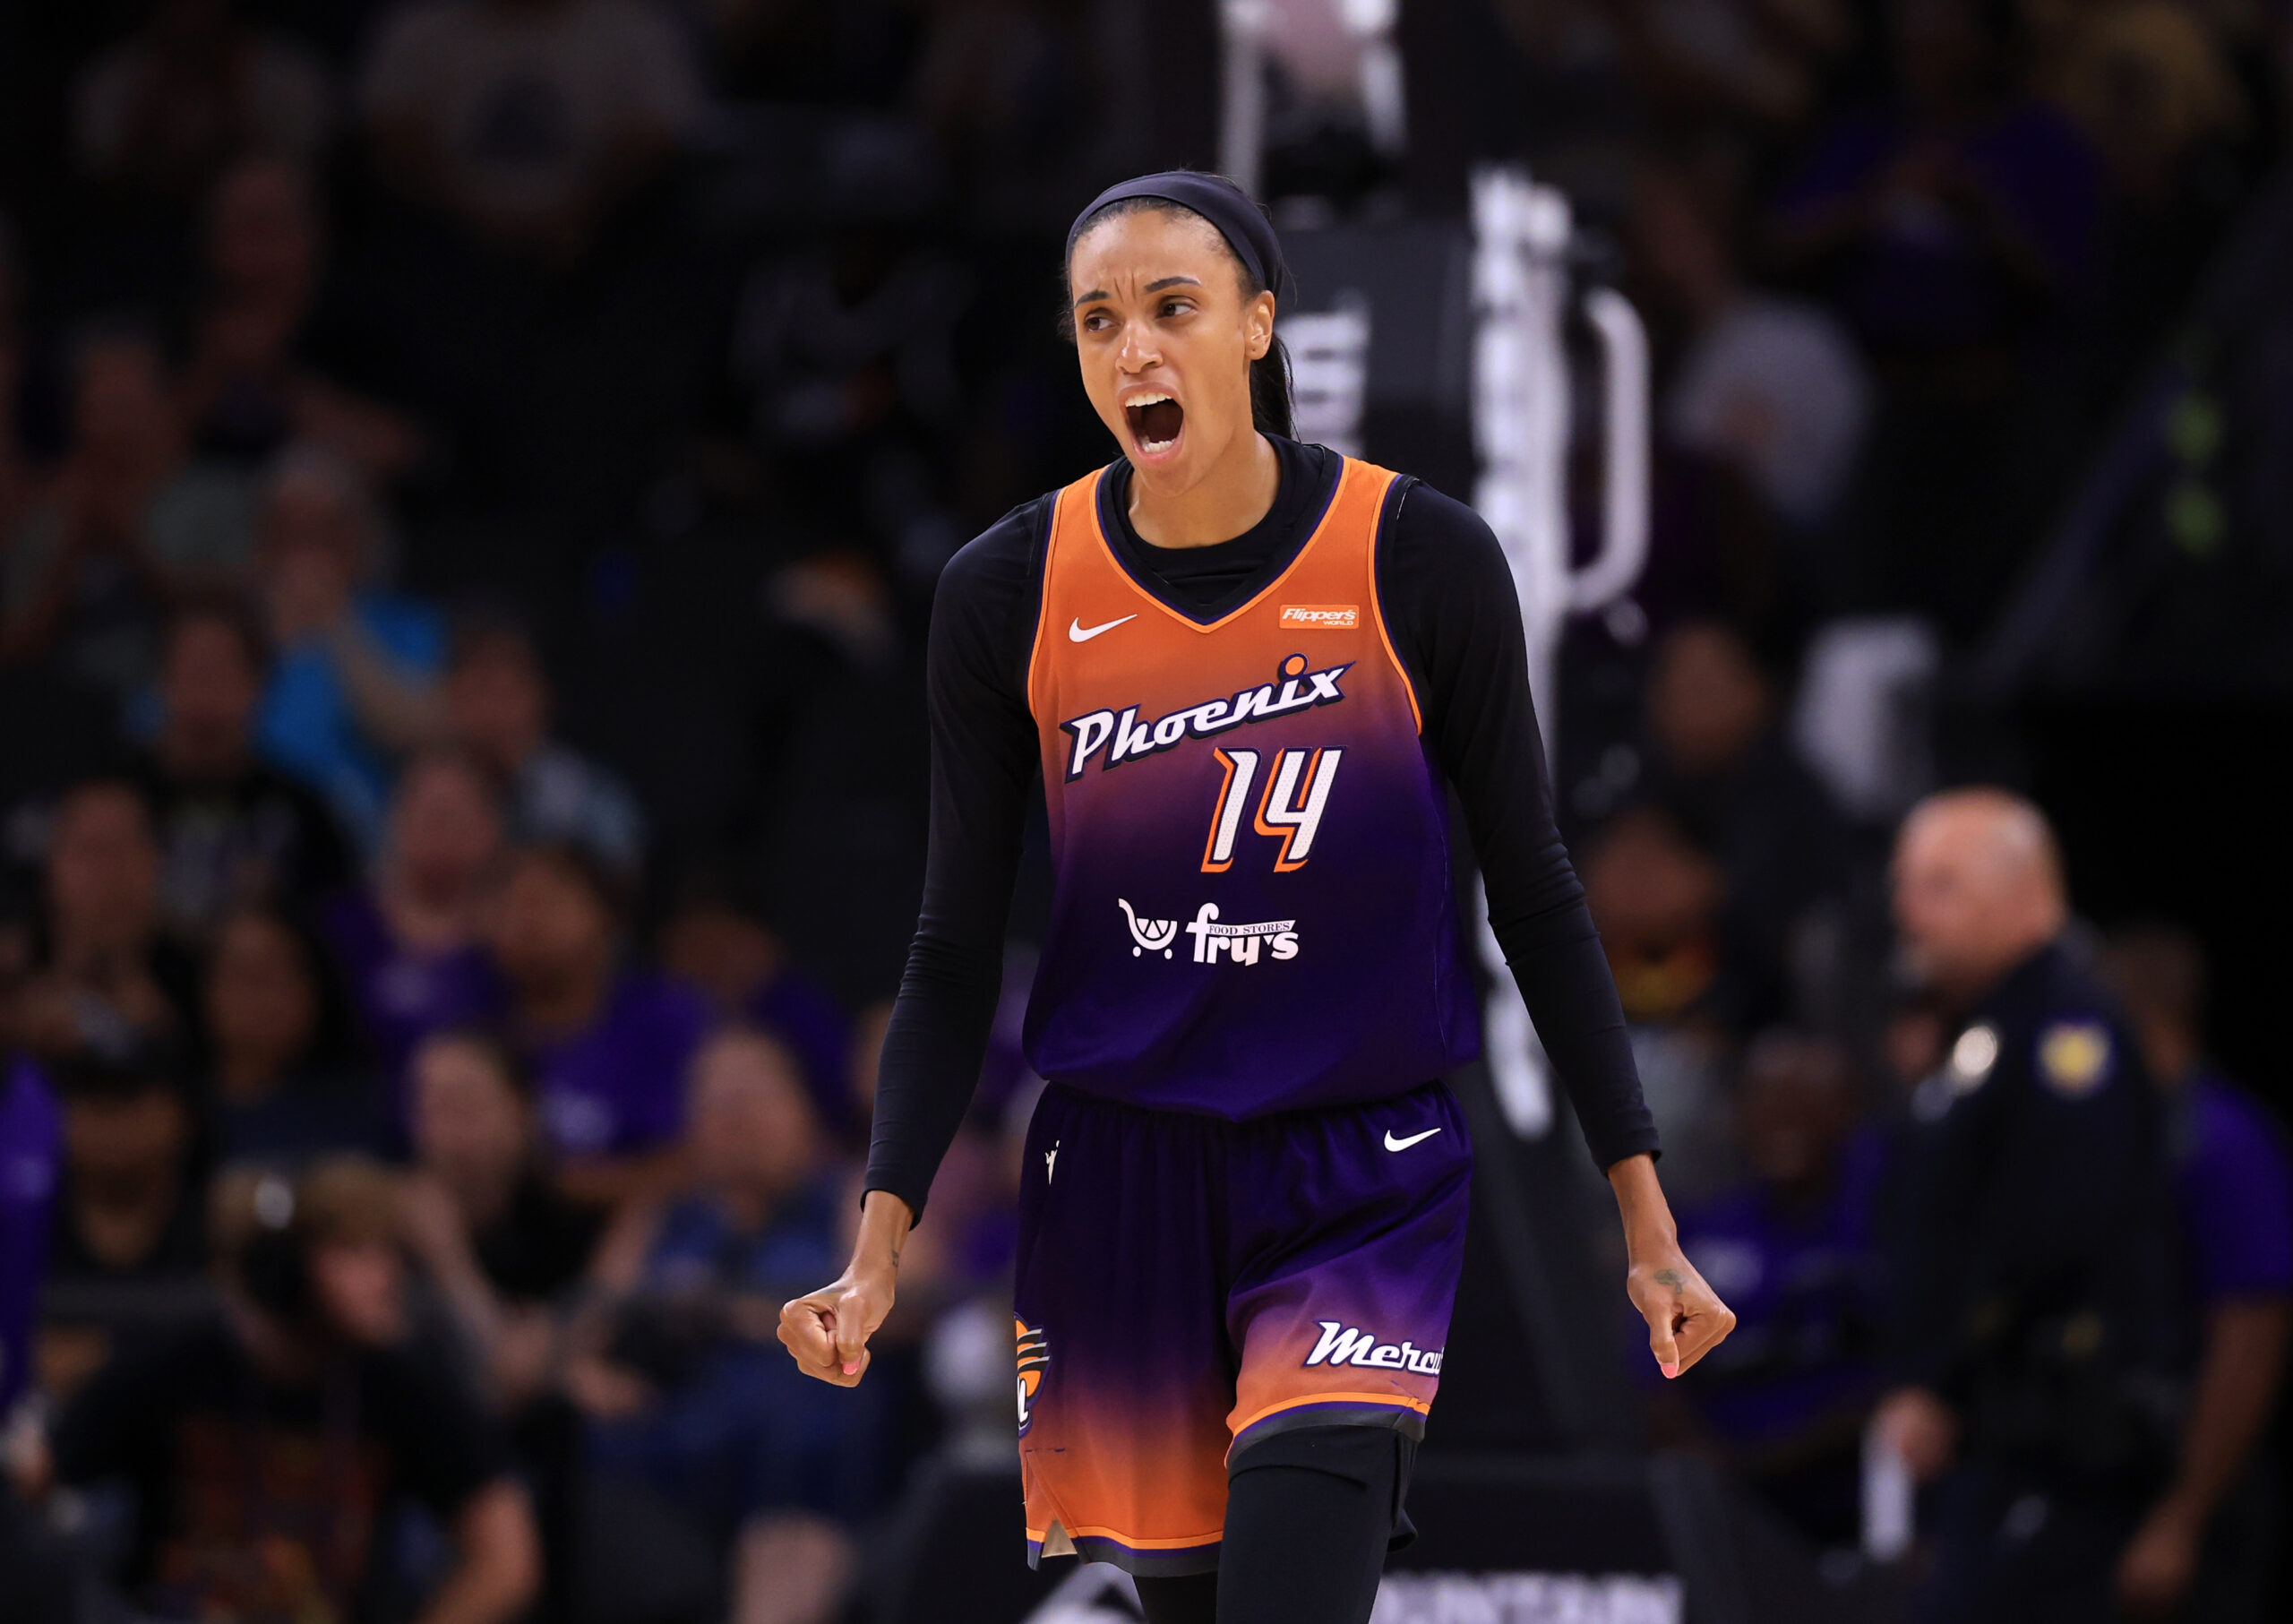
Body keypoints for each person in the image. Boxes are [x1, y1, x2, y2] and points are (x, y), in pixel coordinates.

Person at [777, 171, 1733, 1624]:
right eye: (1099, 320)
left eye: (1173, 307)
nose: (1134, 349)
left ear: (1260, 326)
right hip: (1122, 1177)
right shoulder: (1008, 590)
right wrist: (877, 1243)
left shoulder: (1418, 557)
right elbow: (954, 942)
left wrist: (1647, 1217)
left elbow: (1534, 893)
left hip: (1358, 1166)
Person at [1871, 789, 2186, 1624]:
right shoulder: (1992, 1028)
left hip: (2056, 1435)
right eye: (1905, 885)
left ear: (2023, 895)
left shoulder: (2065, 1031)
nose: (1907, 910)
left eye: (1940, 886)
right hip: (2001, 1431)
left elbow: (2051, 1232)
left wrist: (1942, 1378)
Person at [16, 1157, 540, 1624]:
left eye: (389, 1251)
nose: (388, 1276)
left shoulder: (400, 1386)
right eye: (355, 1251)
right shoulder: (169, 1368)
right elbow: (27, 1487)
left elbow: (507, 1557)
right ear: (280, 1269)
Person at [584, 1028, 869, 1624]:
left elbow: (903, 1303)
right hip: (677, 1431)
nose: (734, 1115)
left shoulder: (852, 1198)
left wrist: (736, 1312)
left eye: (753, 1095)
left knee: (805, 1417)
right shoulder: (659, 1214)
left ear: (804, 1110)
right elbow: (588, 1324)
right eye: (715, 1099)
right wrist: (587, 1375)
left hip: (800, 1440)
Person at [2100, 923, 2290, 1621]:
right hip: (2123, 1477)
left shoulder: (2223, 1139)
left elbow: (2250, 1335)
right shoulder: (2134, 1135)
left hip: (2198, 1492)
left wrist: (2184, 1513)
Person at [1658, 1030, 1886, 1545]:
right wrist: (1710, 1463)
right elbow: (1653, 1380)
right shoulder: (1696, 1234)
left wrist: (1771, 1460)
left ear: (1849, 1112)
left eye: (1808, 1101)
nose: (1786, 1118)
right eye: (1767, 1099)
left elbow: (1899, 1380)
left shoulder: (1885, 1226)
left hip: (1852, 1499)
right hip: (1719, 1501)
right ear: (1738, 1113)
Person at [489, 843, 709, 1206]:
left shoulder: (668, 1020)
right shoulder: (473, 1027)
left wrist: (563, 1185)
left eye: (547, 901)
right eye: (511, 904)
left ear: (606, 916)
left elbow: (703, 1162)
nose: (527, 921)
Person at [253, 443, 446, 848]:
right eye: (289, 535)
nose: (303, 555)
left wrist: (337, 625)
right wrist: (274, 642)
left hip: (365, 847)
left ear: (357, 540)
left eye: (320, 535)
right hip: (251, 833)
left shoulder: (411, 626)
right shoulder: (230, 631)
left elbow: (425, 736)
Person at [134, 597, 356, 944]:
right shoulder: (114, 799)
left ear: (259, 686)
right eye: (192, 668)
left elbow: (337, 930)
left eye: (221, 669)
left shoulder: (305, 811)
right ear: (162, 683)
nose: (205, 687)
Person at [322, 751, 507, 1083]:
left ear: (491, 828)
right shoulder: (341, 925)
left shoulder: (516, 937)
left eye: (459, 819)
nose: (445, 835)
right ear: (396, 821)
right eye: (433, 818)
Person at [7, 778, 202, 1071]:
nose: (111, 872)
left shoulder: (202, 993)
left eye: (128, 846)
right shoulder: (10, 986)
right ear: (50, 866)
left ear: (159, 862)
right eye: (90, 849)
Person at [442, 612, 645, 876]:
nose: (491, 709)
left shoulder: (591, 797)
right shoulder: (422, 792)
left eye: (505, 691)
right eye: (479, 687)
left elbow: (622, 880)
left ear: (543, 697)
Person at [203, 906, 390, 1167]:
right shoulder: (173, 1114)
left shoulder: (361, 1110)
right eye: (246, 976)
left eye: (281, 975)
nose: (264, 998)